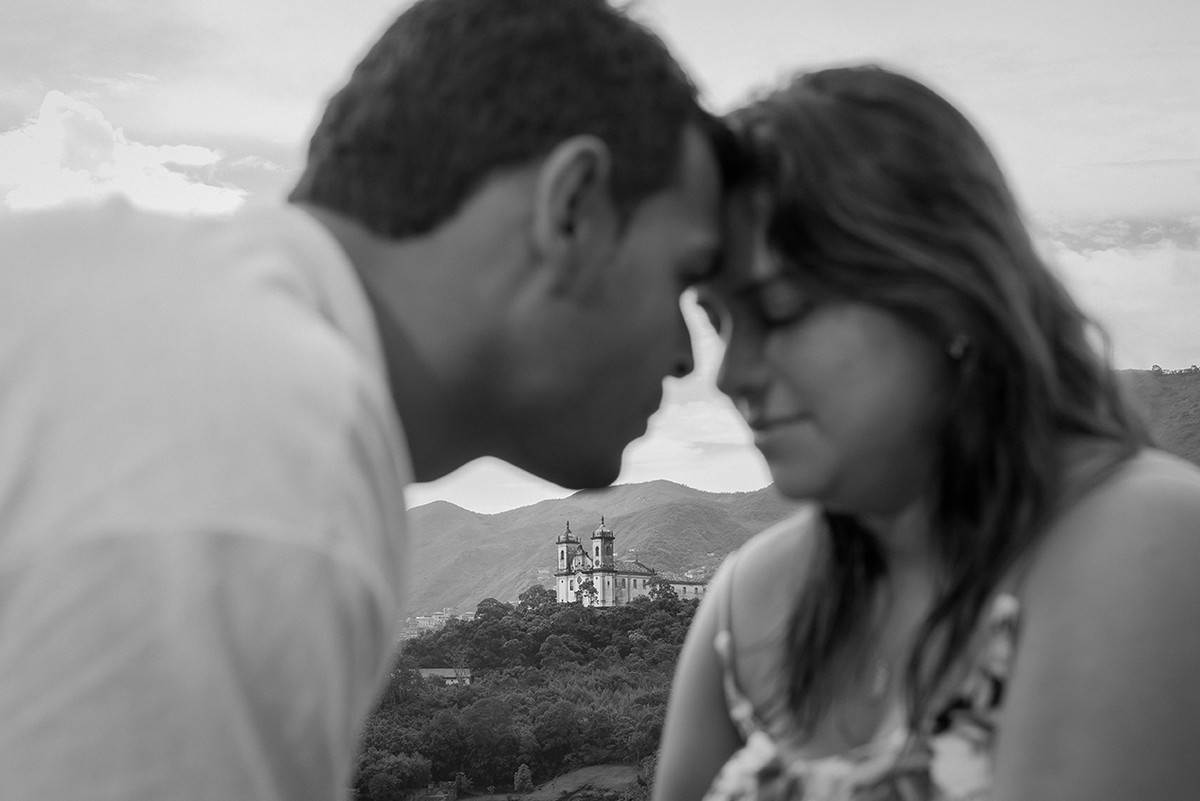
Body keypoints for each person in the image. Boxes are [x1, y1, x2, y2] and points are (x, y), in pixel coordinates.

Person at [0, 1, 726, 798]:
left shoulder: (139, 307)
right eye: (682, 278)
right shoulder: (272, 464)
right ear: (573, 211)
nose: (691, 355)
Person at [654, 64, 1200, 801]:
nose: (733, 373)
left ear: (945, 295)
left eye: (780, 311)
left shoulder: (1147, 538)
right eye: (721, 323)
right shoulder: (748, 599)